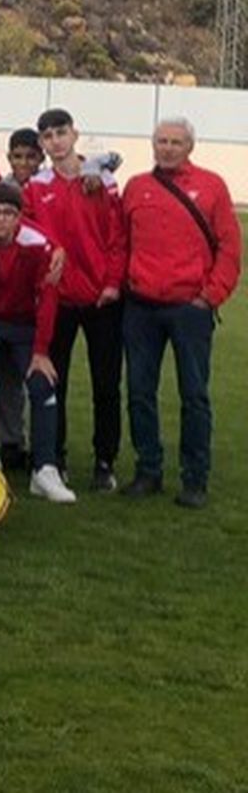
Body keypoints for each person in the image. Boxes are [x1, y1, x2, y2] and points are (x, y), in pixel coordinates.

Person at [120, 117, 242, 508]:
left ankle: (195, 477)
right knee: (139, 392)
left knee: (194, 395)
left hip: (189, 307)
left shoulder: (211, 186)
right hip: (141, 306)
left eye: (175, 141)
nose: (167, 147)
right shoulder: (137, 187)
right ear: (152, 144)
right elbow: (122, 242)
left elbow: (229, 248)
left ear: (190, 146)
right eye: (161, 141)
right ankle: (148, 470)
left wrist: (210, 296)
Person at [23, 107, 126, 490]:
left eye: (61, 133)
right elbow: (31, 236)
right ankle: (54, 457)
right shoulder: (37, 186)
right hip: (58, 299)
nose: (55, 141)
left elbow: (117, 238)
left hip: (103, 298)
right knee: (54, 381)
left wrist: (112, 282)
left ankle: (105, 461)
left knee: (106, 384)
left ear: (75, 134)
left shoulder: (103, 180)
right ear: (42, 143)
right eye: (47, 136)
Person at [0, 182, 72, 502]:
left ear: (20, 217)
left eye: (9, 213)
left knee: (42, 384)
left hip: (25, 325)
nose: (1, 220)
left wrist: (41, 351)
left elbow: (48, 298)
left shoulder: (39, 245)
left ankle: (45, 468)